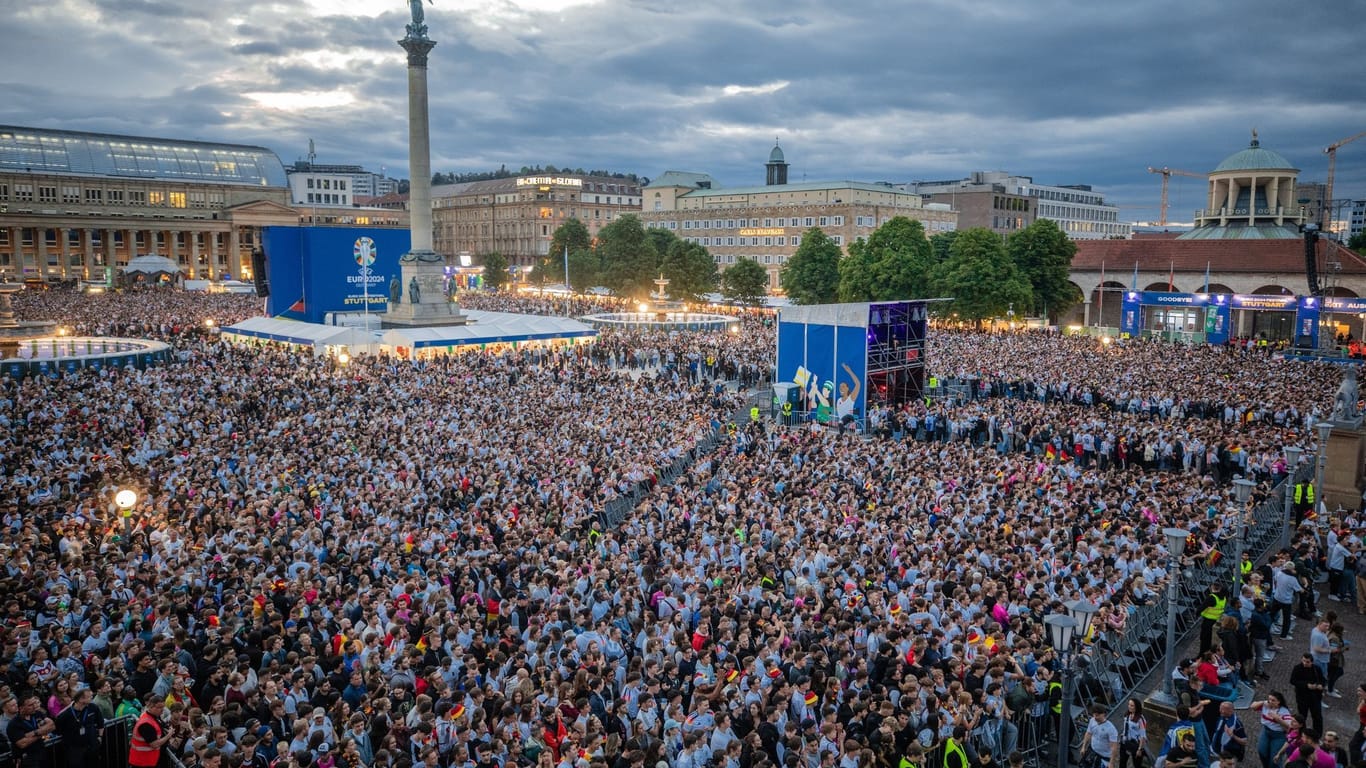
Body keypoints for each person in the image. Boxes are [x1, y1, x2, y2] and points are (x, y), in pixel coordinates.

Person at [54, 688, 104, 768]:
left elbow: (100, 723)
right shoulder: (65, 714)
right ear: (81, 699)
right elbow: (58, 730)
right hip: (75, 749)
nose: (92, 698)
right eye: (89, 696)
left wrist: (100, 737)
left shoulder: (93, 707)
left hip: (92, 745)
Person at [6, 695, 56, 768]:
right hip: (27, 759)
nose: (34, 706)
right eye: (30, 705)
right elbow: (23, 743)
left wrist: (34, 733)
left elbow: (52, 725)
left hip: (42, 753)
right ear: (21, 708)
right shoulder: (14, 724)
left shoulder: (37, 714)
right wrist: (42, 733)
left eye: (34, 703)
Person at [128, 695, 173, 768]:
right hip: (142, 762)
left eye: (163, 707)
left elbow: (162, 726)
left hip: (148, 760)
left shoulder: (153, 716)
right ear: (151, 706)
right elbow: (154, 744)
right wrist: (168, 735)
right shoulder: (146, 724)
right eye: (159, 707)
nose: (162, 710)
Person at [1289, 654, 1328, 735]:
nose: (1305, 663)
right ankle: (1302, 734)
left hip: (1315, 697)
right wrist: (1306, 685)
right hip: (1302, 697)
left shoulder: (1316, 669)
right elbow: (1293, 680)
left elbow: (1323, 679)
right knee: (1302, 717)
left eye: (1307, 662)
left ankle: (1317, 735)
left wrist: (1321, 685)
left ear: (1311, 662)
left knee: (1317, 717)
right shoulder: (1297, 668)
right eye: (1303, 661)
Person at [1252, 692, 1292, 768]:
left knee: (1274, 758)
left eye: (1273, 700)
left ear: (1278, 702)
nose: (1270, 702)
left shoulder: (1284, 711)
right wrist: (1263, 702)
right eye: (1269, 699)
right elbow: (1253, 707)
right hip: (1266, 731)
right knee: (1262, 751)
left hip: (1279, 735)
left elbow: (1289, 727)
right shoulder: (1265, 705)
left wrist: (1278, 719)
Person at [1116, 699, 1148, 768]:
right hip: (1125, 742)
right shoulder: (1127, 715)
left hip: (1135, 744)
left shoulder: (1140, 719)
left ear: (1137, 707)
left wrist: (1140, 749)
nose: (1129, 707)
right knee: (1122, 762)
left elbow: (1143, 736)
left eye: (1132, 705)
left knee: (1137, 764)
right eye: (1129, 705)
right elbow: (1125, 728)